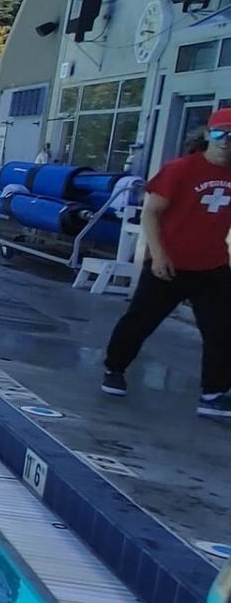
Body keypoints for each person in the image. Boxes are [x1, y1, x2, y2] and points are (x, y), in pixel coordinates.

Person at [101, 106, 231, 415]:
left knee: (222, 329)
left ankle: (213, 393)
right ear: (207, 135)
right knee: (141, 320)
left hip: (211, 265)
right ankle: (114, 369)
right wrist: (158, 255)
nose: (226, 141)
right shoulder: (181, 169)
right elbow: (150, 212)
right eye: (219, 134)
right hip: (169, 263)